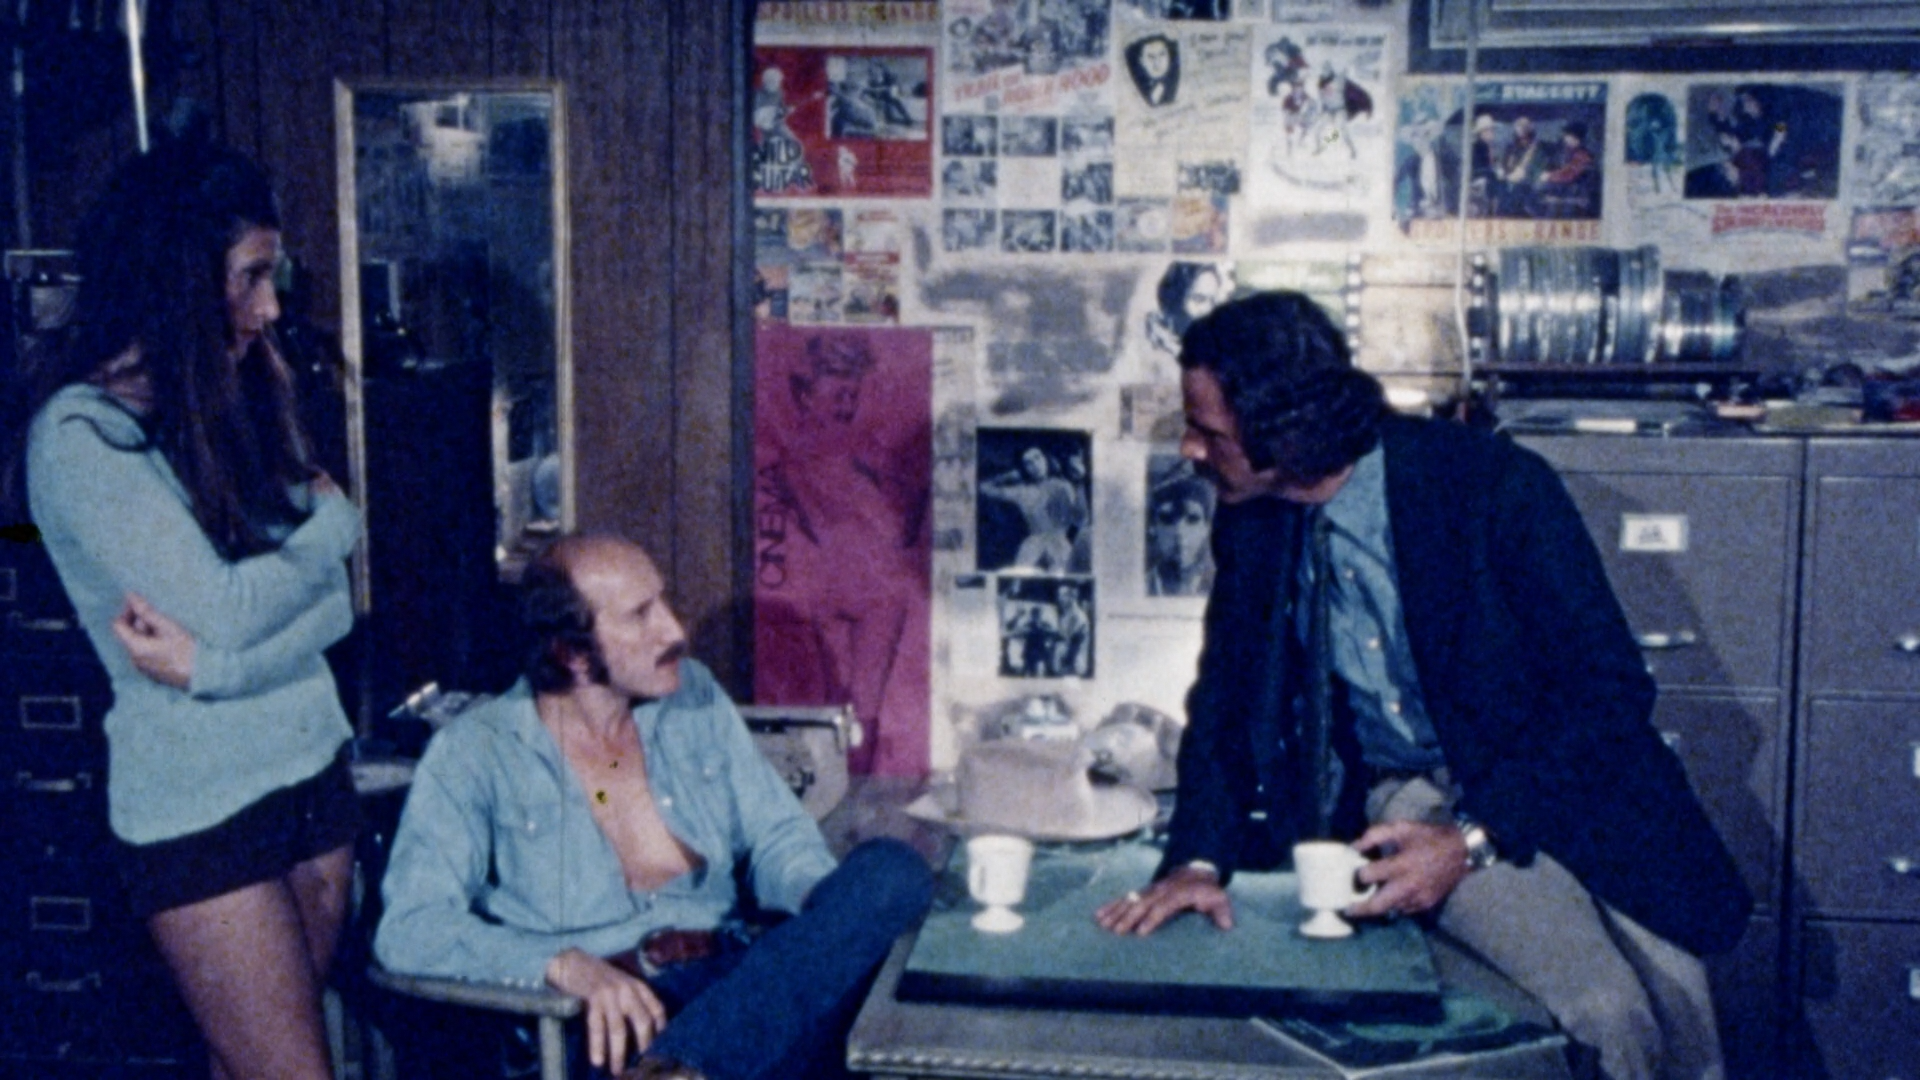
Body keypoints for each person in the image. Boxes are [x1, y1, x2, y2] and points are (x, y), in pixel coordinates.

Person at [1094, 292, 1751, 1080]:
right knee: (1605, 1011)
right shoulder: (1254, 519)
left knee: (1683, 1014)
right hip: (1417, 798)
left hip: (1570, 782)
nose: (1191, 449)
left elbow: (1610, 689)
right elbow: (1226, 701)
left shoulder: (1492, 485)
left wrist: (1474, 837)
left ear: (1286, 432)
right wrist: (1197, 861)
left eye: (1210, 433)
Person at [16, 141, 363, 1080]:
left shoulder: (226, 396)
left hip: (309, 771)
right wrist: (332, 527)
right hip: (204, 813)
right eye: (251, 276)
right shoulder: (78, 439)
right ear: (177, 277)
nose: (271, 307)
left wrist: (216, 669)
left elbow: (333, 609)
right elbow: (231, 606)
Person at [375, 534, 933, 1080]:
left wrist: (828, 916)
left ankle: (682, 1068)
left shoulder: (695, 696)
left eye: (662, 602)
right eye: (641, 615)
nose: (675, 630)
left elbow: (777, 837)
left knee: (892, 869)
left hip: (746, 989)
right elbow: (412, 929)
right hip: (609, 1026)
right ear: (571, 653)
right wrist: (562, 967)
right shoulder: (476, 751)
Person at [980, 445, 1087, 573]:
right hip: (1032, 545)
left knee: (1063, 580)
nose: (1035, 465)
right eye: (1028, 463)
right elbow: (984, 488)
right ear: (1024, 468)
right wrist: (1008, 476)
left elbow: (1081, 520)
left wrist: (1079, 483)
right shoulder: (1022, 491)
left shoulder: (1062, 486)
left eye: (1037, 458)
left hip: (1060, 544)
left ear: (1046, 459)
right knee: (1019, 578)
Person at [1145, 459, 1215, 597]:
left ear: (1206, 528)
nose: (1179, 532)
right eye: (1167, 519)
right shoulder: (1138, 587)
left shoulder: (1224, 587)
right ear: (1152, 527)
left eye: (1193, 519)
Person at [1124, 34, 1179, 108]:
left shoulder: (1177, 82)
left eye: (1162, 54)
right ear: (1142, 61)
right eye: (1151, 57)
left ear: (1169, 56)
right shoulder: (1136, 87)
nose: (1157, 62)